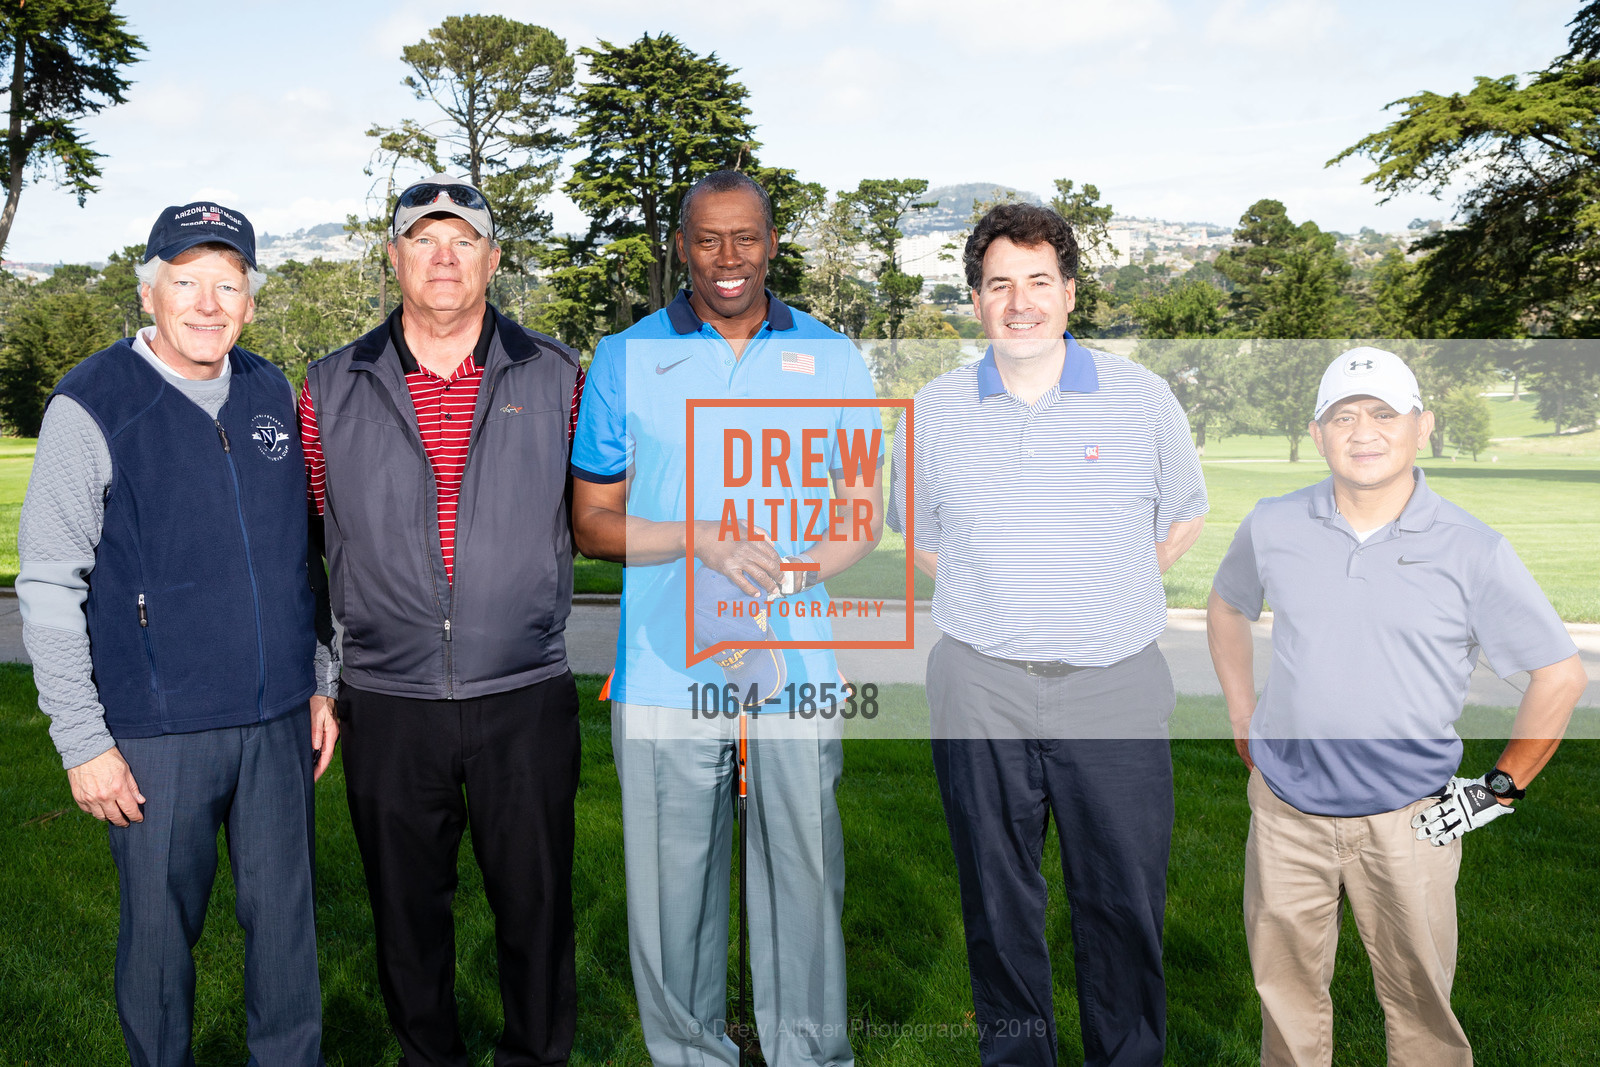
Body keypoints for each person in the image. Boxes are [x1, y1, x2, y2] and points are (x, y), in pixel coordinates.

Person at [570, 169, 883, 1067]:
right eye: (707, 238)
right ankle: (690, 1054)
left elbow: (859, 510)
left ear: (774, 242)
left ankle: (809, 1057)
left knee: (805, 880)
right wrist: (698, 539)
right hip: (666, 669)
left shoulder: (834, 357)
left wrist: (789, 570)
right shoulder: (625, 357)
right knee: (672, 898)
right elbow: (592, 521)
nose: (728, 257)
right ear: (680, 245)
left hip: (796, 668)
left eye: (746, 236)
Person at [17, 202, 337, 1065]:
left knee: (287, 945)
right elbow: (48, 582)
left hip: (276, 723)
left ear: (251, 300)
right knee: (159, 952)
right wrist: (82, 740)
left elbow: (300, 555)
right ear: (149, 289)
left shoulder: (273, 389)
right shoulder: (92, 402)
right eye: (185, 281)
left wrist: (320, 677)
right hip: (155, 735)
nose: (206, 302)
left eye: (227, 284)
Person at [888, 202, 1208, 1067]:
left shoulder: (1142, 398)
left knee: (1122, 900)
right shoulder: (934, 409)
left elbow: (1181, 517)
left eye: (1038, 281)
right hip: (979, 682)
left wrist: (1104, 589)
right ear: (977, 299)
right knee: (998, 901)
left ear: (1070, 292)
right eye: (999, 284)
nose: (1019, 301)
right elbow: (916, 534)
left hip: (1115, 682)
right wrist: (996, 597)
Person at [1205, 346, 1586, 1066]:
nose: (1363, 430)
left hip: (1412, 821)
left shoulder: (1473, 549)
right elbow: (1227, 606)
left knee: (1420, 1012)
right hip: (1286, 812)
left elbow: (1559, 675)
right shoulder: (1273, 523)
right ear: (1318, 435)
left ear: (1422, 426)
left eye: (1384, 413)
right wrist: (1241, 711)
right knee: (1285, 1004)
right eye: (1343, 415)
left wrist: (1500, 789)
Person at [298, 174, 586, 1067]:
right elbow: (297, 549)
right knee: (406, 918)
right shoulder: (329, 385)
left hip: (525, 691)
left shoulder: (559, 376)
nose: (445, 256)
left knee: (536, 912)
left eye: (464, 240)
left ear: (494, 259)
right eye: (424, 239)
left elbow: (606, 512)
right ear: (395, 258)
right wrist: (319, 678)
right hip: (387, 699)